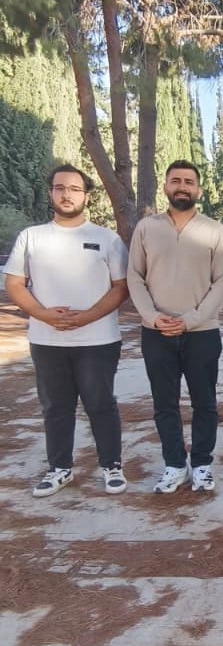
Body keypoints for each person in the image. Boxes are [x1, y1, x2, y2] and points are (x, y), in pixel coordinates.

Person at [5, 164, 129, 497]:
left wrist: (88, 317)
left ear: (86, 196)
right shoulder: (31, 237)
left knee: (100, 403)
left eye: (74, 189)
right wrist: (42, 314)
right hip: (47, 340)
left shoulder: (107, 239)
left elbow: (121, 287)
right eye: (60, 188)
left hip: (98, 340)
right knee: (55, 407)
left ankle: (111, 466)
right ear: (51, 193)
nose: (66, 194)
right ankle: (60, 469)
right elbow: (15, 283)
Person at [127, 160, 223, 494]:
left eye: (189, 181)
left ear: (198, 189)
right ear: (166, 187)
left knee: (205, 403)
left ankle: (201, 464)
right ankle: (174, 464)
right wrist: (152, 317)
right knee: (165, 405)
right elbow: (134, 276)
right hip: (156, 333)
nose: (182, 186)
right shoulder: (146, 228)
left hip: (202, 333)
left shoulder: (215, 231)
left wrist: (189, 320)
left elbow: (222, 283)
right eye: (176, 181)